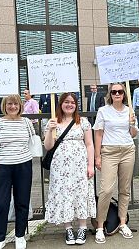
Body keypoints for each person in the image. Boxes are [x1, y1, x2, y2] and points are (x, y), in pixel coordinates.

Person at [44, 93, 96, 245]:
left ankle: (82, 227)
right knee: (64, 193)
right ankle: (67, 228)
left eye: (72, 102)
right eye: (66, 102)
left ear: (76, 105)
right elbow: (48, 146)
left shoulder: (83, 122)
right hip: (60, 167)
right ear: (60, 104)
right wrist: (49, 130)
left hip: (80, 166)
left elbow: (89, 144)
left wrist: (90, 165)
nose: (69, 105)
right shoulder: (53, 122)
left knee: (81, 193)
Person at [0, 94, 35, 249]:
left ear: (20, 105)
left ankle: (20, 235)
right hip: (2, 166)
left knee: (22, 201)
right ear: (4, 106)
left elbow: (32, 141)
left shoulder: (26, 122)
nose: (12, 107)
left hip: (23, 165)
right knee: (0, 203)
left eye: (15, 104)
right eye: (9, 104)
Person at [93, 82, 138, 244]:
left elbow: (133, 134)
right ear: (110, 95)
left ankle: (122, 222)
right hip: (109, 152)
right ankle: (100, 226)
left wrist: (132, 123)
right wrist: (97, 156)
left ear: (124, 94)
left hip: (127, 150)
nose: (117, 94)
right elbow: (98, 134)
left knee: (124, 189)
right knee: (106, 189)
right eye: (114, 92)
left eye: (120, 91)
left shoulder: (129, 111)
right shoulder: (103, 111)